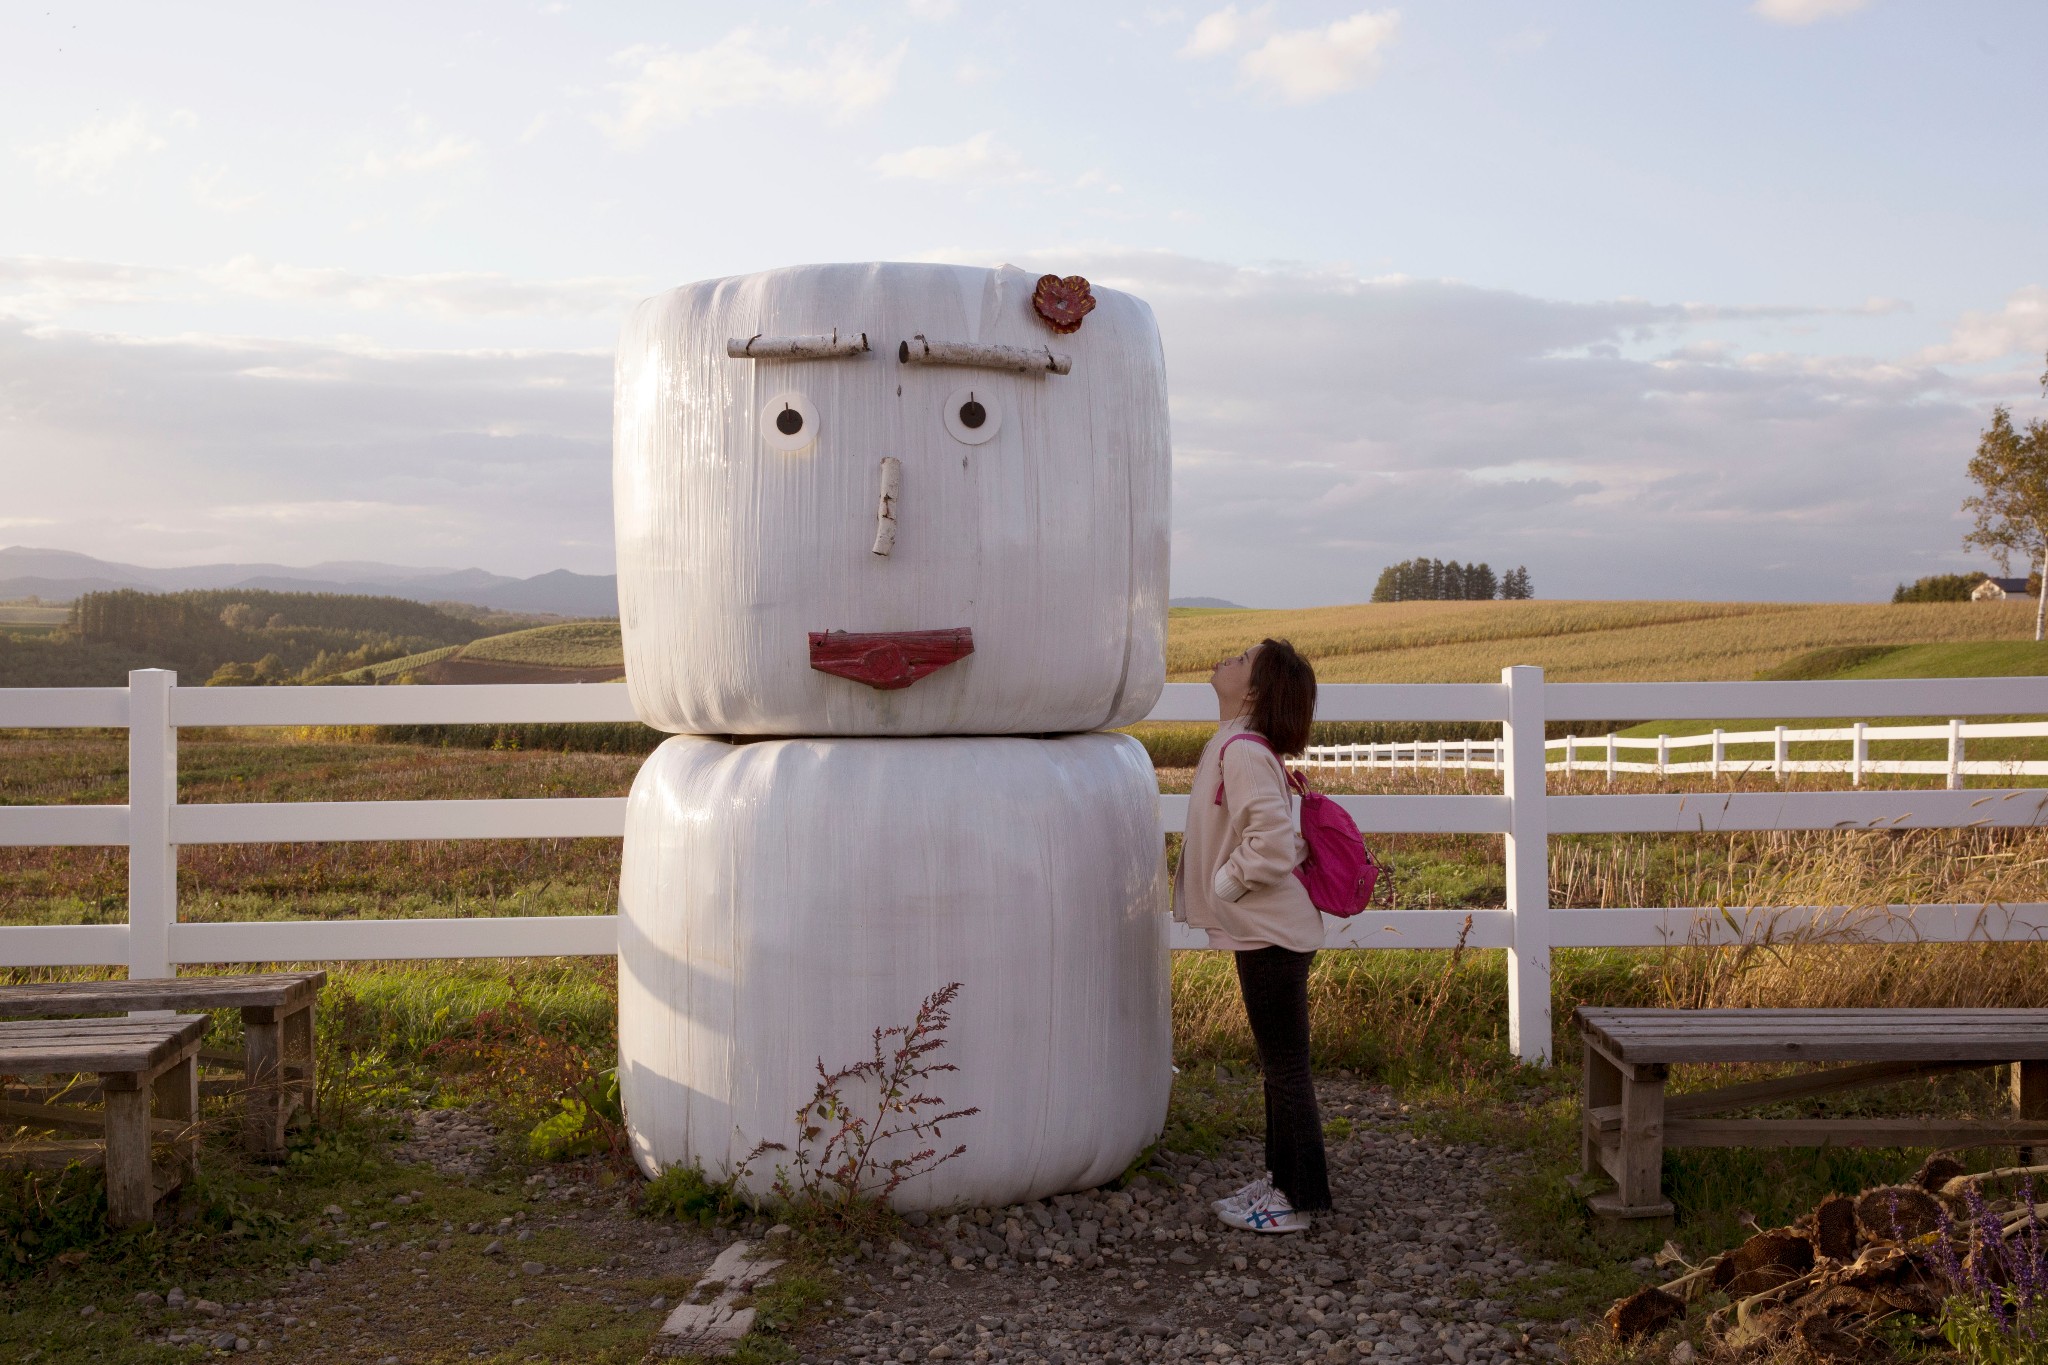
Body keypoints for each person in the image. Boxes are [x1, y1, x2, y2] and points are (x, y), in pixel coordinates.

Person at [1173, 637, 1331, 1234]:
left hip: (1271, 932)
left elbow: (1273, 843)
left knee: (1286, 1069)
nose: (1226, 658)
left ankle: (1296, 1199)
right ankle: (1282, 1182)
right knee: (1278, 1066)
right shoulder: (1239, 744)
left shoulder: (1241, 751)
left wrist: (1224, 887)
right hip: (1265, 930)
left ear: (1256, 691)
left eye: (1241, 660)